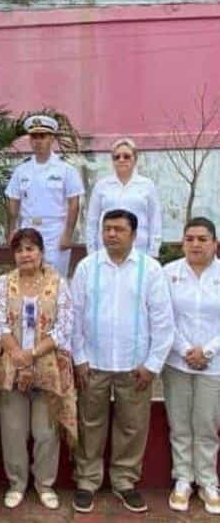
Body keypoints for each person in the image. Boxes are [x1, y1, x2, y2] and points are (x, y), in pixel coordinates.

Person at [71, 209, 174, 514]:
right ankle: (87, 482)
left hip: (136, 366)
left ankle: (125, 481)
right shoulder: (88, 267)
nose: (112, 234)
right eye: (107, 229)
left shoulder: (150, 270)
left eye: (118, 229)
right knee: (90, 424)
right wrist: (79, 358)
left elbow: (163, 321)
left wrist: (152, 364)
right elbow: (74, 318)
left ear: (134, 234)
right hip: (94, 363)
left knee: (132, 425)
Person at [0, 228, 76, 510]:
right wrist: (16, 353)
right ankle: (16, 483)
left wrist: (33, 354)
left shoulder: (58, 283)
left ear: (41, 252)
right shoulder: (3, 283)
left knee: (45, 431)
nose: (25, 254)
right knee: (13, 430)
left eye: (31, 248)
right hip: (11, 368)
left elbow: (65, 327)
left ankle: (45, 484)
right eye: (20, 249)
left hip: (48, 368)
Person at [162, 217, 220, 515]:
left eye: (202, 239)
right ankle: (183, 479)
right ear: (182, 243)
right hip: (177, 362)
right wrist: (185, 349)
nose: (196, 244)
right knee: (181, 424)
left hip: (214, 366)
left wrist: (207, 351)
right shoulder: (168, 274)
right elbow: (163, 319)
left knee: (207, 426)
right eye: (190, 239)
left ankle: (208, 481)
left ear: (215, 244)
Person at [5, 115, 84, 276]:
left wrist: (67, 235)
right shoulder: (22, 170)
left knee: (55, 279)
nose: (38, 141)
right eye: (34, 136)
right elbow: (13, 202)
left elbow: (74, 204)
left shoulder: (66, 170)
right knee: (28, 275)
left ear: (52, 138)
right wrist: (12, 230)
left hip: (55, 231)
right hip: (28, 229)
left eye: (43, 136)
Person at [86, 138, 162, 257]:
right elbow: (92, 222)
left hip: (139, 250)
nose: (122, 160)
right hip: (106, 251)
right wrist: (92, 253)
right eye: (117, 157)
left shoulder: (147, 185)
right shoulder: (101, 186)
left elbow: (155, 220)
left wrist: (153, 252)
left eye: (126, 156)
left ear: (135, 159)